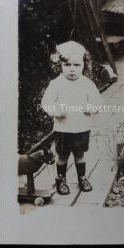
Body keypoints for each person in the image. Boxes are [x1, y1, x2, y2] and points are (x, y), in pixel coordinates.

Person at [42, 41, 102, 195]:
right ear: (60, 65)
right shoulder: (56, 84)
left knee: (80, 154)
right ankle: (61, 179)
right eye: (68, 65)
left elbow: (96, 101)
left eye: (77, 65)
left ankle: (82, 177)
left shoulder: (87, 84)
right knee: (62, 155)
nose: (72, 69)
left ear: (84, 64)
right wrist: (56, 110)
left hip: (81, 127)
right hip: (63, 128)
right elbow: (46, 102)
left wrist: (92, 107)